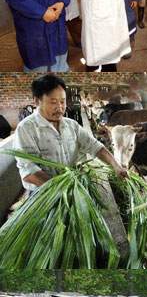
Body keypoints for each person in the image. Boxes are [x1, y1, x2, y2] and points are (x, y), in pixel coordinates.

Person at [9, 73, 128, 250]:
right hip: (45, 196)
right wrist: (62, 188)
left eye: (63, 101)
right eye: (53, 102)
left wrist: (116, 166)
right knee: (50, 245)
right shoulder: (26, 129)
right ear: (37, 101)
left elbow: (96, 147)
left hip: (75, 190)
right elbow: (29, 172)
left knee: (87, 236)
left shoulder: (71, 125)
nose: (60, 107)